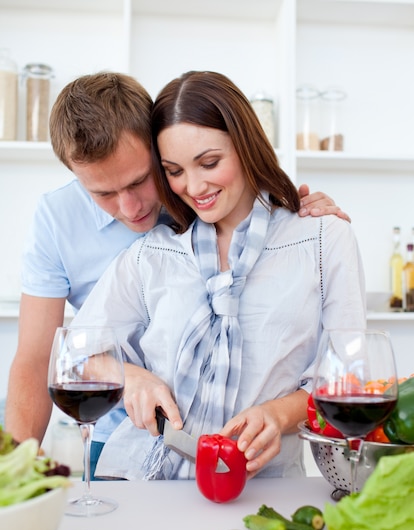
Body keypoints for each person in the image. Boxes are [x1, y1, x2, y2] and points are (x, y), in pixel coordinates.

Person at [4, 71, 348, 477]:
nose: (130, 208)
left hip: (255, 466)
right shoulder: (70, 224)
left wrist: (300, 214)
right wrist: (14, 474)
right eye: (103, 193)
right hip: (124, 441)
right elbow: (42, 356)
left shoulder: (204, 200)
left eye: (140, 180)